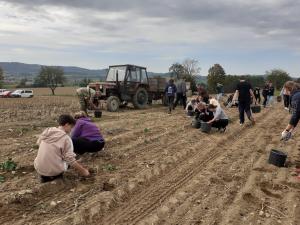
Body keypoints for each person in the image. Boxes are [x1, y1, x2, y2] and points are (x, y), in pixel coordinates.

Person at [34, 115, 90, 183]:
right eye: (71, 127)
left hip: (39, 169)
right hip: (54, 172)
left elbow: (38, 143)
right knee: (68, 162)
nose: (71, 130)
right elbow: (70, 160)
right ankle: (56, 177)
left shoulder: (47, 131)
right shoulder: (66, 139)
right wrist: (84, 171)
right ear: (67, 124)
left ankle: (45, 176)